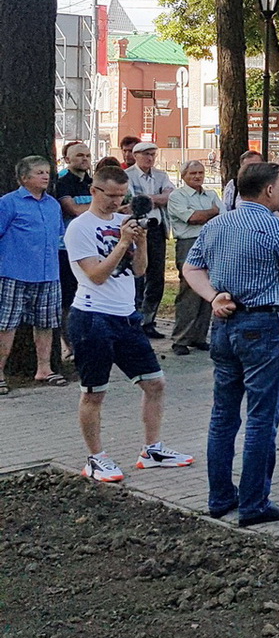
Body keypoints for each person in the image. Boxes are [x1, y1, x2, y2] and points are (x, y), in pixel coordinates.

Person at [181, 162, 279, 526]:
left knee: (223, 416)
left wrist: (214, 297)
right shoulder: (276, 226)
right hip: (263, 322)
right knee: (261, 417)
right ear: (268, 190)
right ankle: (254, 503)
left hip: (224, 324)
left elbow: (191, 268)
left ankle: (220, 496)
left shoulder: (217, 223)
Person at [64, 164, 194, 482]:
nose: (117, 202)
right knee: (94, 392)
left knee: (155, 383)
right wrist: (122, 242)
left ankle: (152, 450)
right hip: (92, 317)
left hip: (126, 317)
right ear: (95, 191)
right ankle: (96, 458)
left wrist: (142, 239)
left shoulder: (125, 221)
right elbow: (95, 275)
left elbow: (140, 270)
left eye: (123, 195)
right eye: (111, 195)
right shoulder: (80, 228)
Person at [0, 156, 65, 389]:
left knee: (46, 324)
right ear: (24, 177)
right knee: (5, 325)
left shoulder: (52, 204)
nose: (46, 176)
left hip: (48, 274)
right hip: (14, 273)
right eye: (39, 173)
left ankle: (44, 369)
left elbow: (59, 236)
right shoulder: (8, 203)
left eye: (47, 172)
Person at [165, 160, 222, 356]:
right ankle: (181, 338)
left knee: (209, 288)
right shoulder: (177, 196)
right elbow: (192, 218)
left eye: (200, 173)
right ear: (183, 176)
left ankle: (199, 336)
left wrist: (209, 214)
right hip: (188, 243)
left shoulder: (211, 194)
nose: (197, 176)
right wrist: (211, 213)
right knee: (189, 290)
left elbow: (221, 217)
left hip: (211, 242)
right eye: (192, 173)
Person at [125, 141, 174, 338]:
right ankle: (134, 318)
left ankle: (149, 319)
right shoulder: (128, 175)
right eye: (145, 154)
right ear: (135, 156)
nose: (150, 158)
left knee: (156, 276)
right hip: (136, 228)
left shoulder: (161, 175)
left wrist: (148, 199)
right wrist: (156, 197)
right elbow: (133, 201)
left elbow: (170, 196)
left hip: (157, 229)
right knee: (137, 275)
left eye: (152, 154)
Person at [51, 141, 93, 358]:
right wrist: (97, 207)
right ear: (67, 159)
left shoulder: (92, 182)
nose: (84, 159)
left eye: (87, 155)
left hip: (90, 247)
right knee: (66, 299)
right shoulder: (62, 182)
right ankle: (69, 344)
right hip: (65, 248)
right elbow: (74, 210)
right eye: (79, 155)